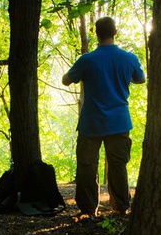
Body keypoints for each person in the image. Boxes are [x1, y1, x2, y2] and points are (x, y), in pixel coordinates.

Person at [62, 16, 146, 218]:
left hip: (91, 122)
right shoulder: (129, 58)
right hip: (119, 121)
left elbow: (66, 80)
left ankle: (88, 210)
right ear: (115, 33)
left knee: (87, 166)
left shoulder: (87, 60)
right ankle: (120, 208)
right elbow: (140, 79)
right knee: (118, 166)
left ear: (96, 34)